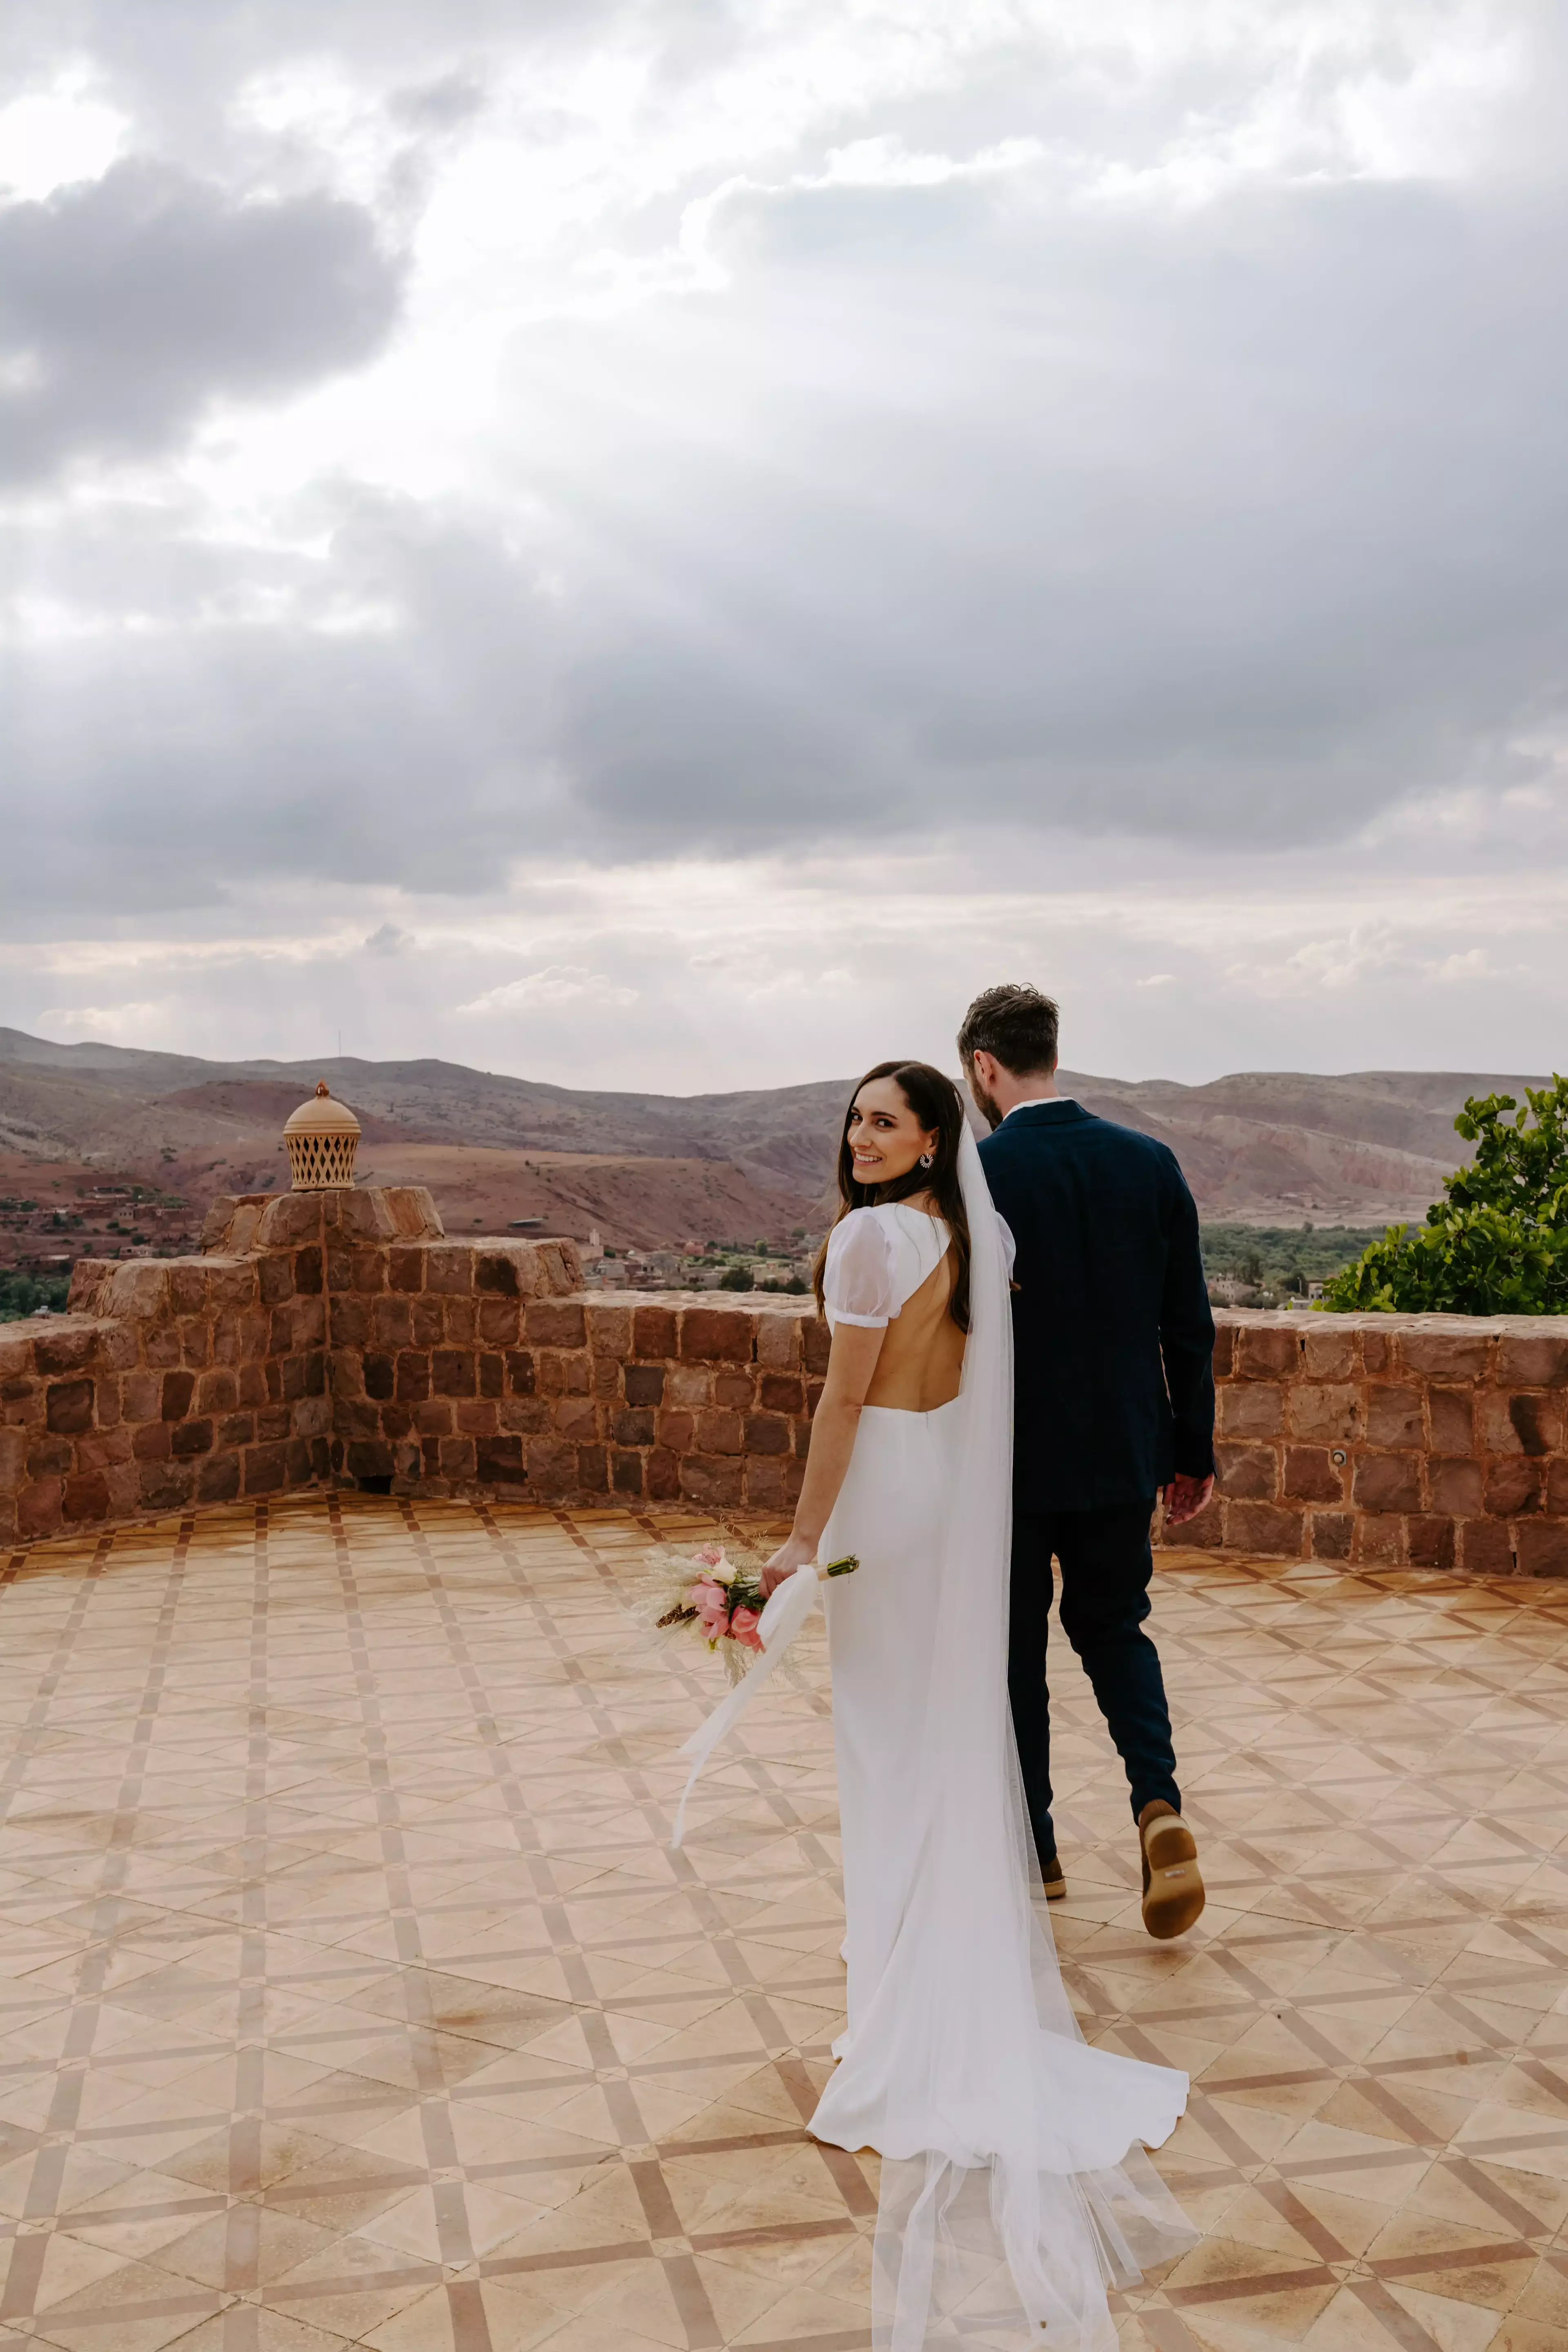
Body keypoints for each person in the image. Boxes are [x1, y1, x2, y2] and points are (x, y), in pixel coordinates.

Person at [692, 1059, 1194, 2351]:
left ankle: (907, 2011)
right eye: (854, 1118)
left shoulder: (868, 1241)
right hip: (939, 1507)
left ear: (929, 1139)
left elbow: (844, 1396)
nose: (860, 1137)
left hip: (879, 1509)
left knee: (889, 1750)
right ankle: (931, 1977)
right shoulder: (966, 1240)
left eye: (885, 1121)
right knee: (930, 1740)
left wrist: (800, 1543)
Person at [958, 983, 1215, 1941]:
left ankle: (1042, 1857)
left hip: (1010, 1462)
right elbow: (1188, 1327)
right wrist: (1190, 1453)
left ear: (984, 1067)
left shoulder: (978, 1178)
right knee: (1116, 1628)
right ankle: (1158, 1806)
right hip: (1121, 1450)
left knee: (1016, 1653)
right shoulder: (1149, 1164)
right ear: (1050, 1055)